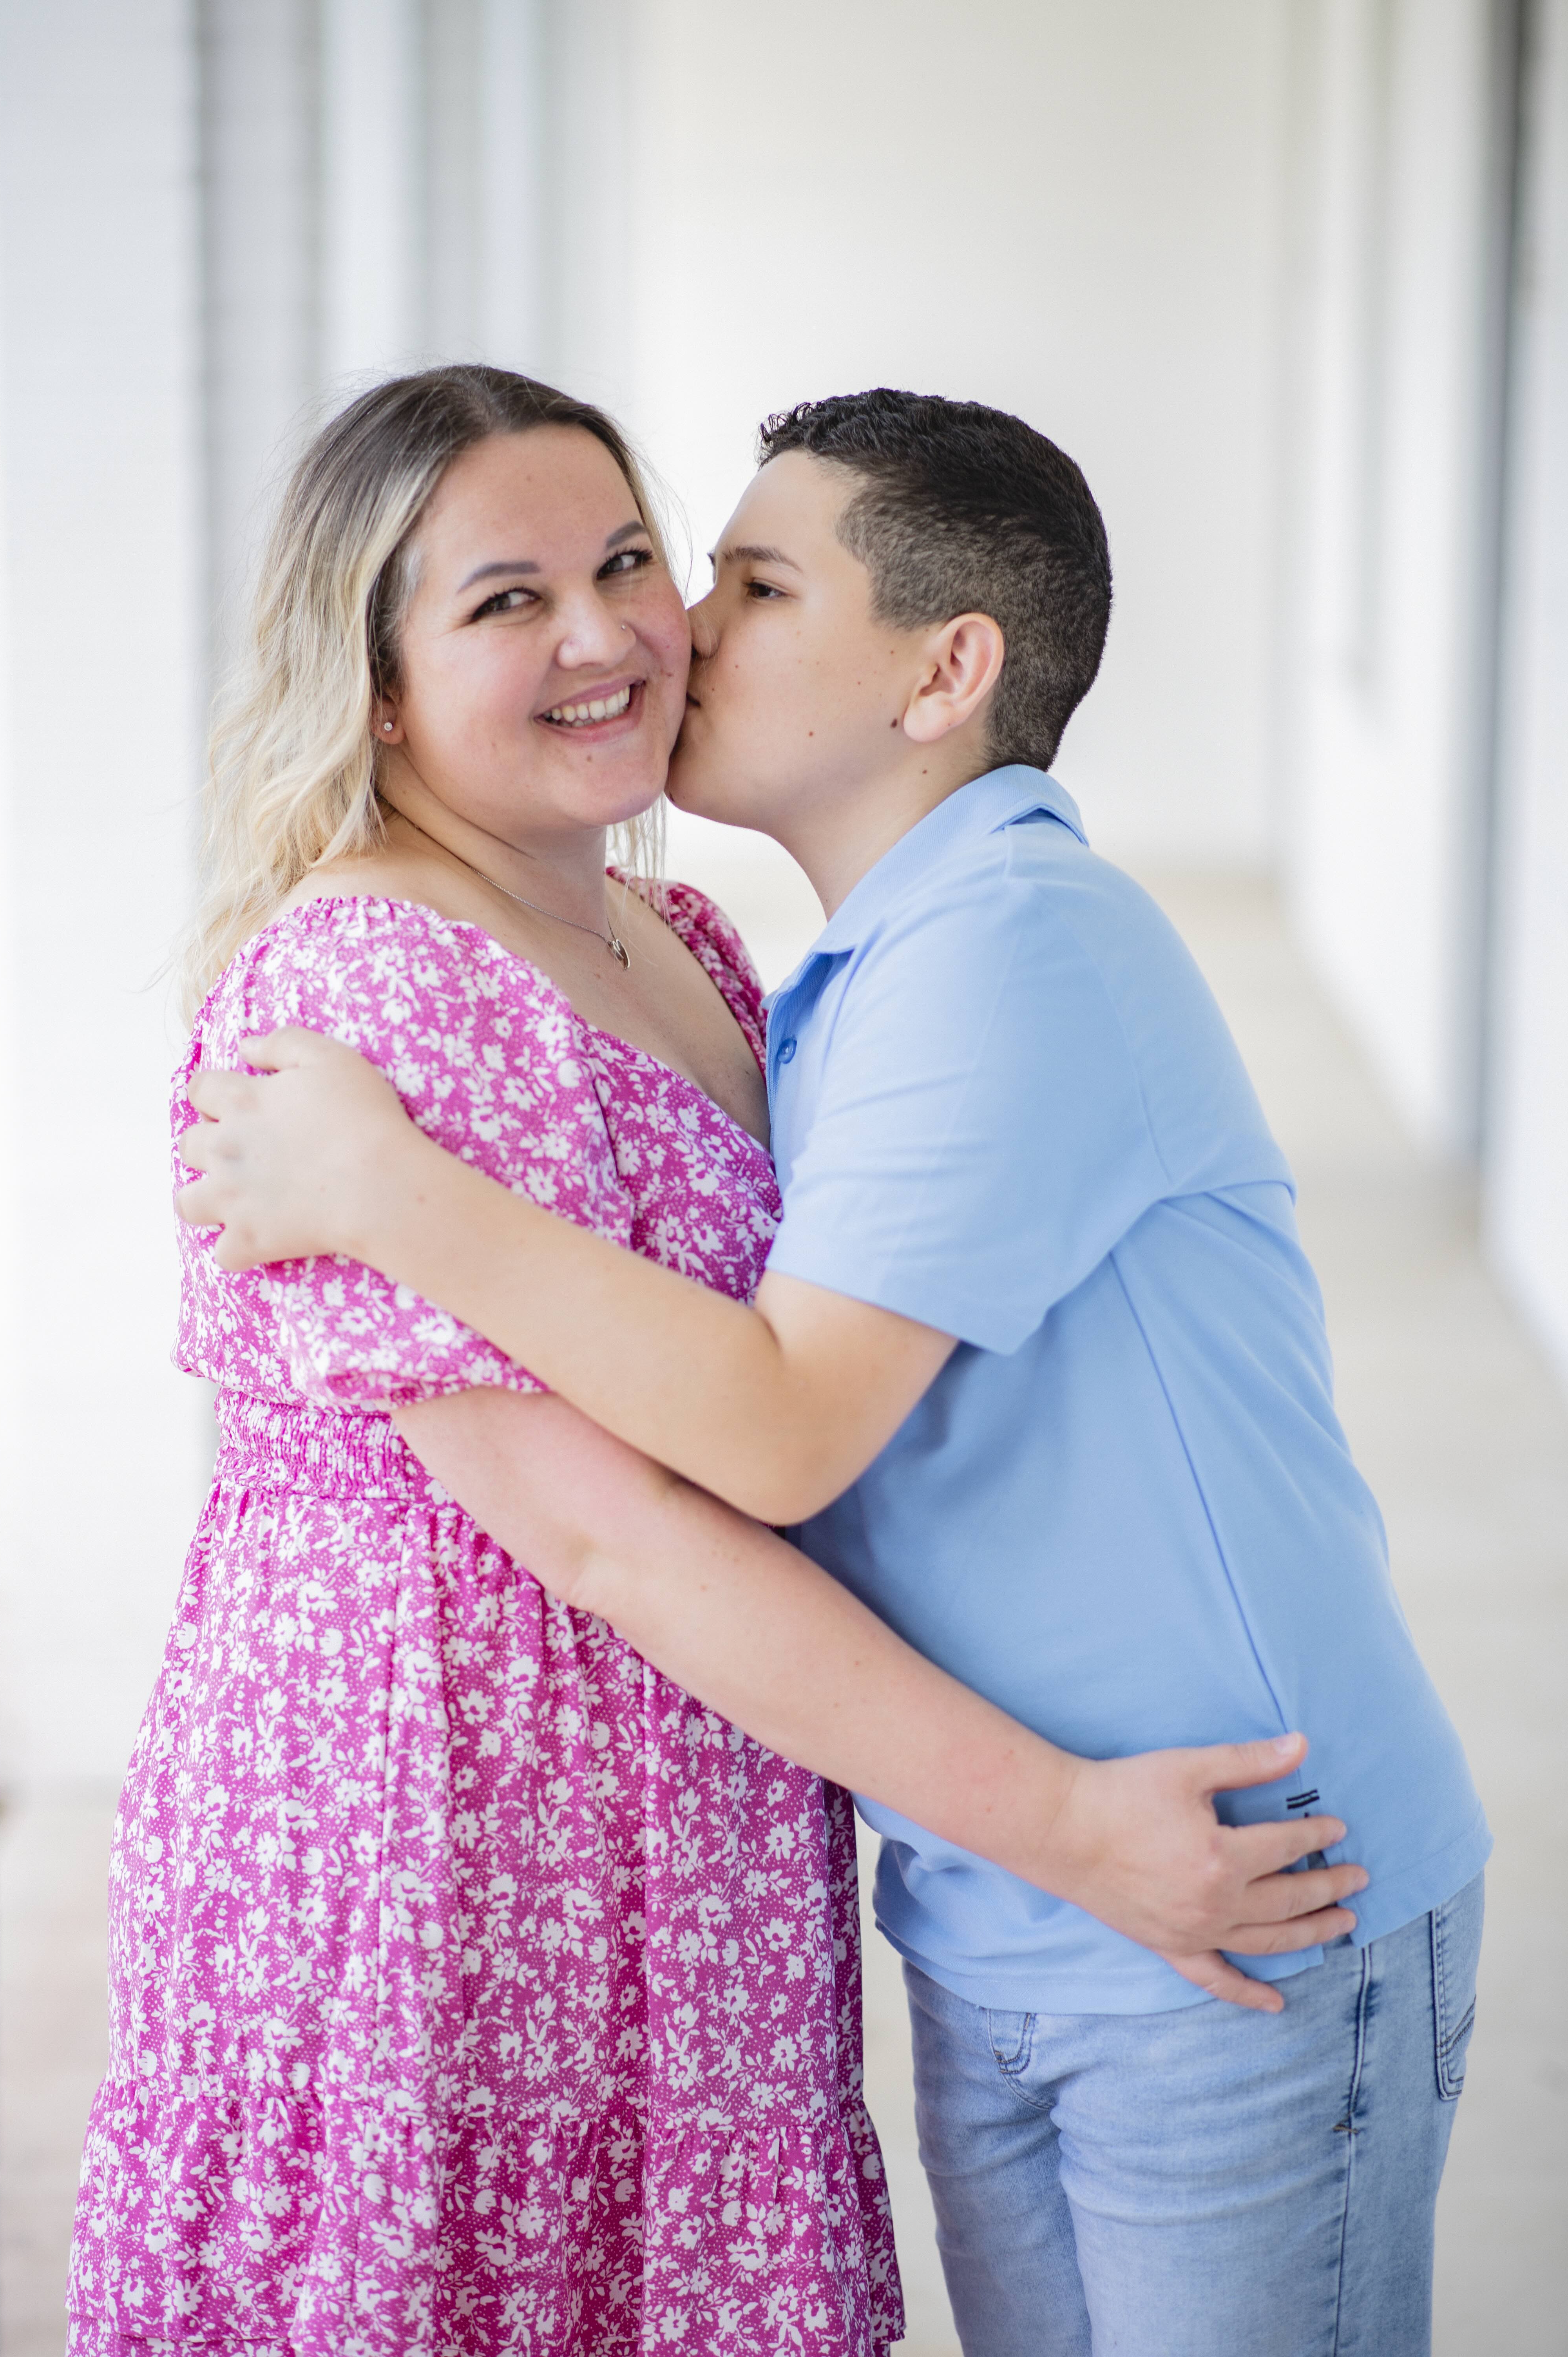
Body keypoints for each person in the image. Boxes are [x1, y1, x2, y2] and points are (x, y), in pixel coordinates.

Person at [181, 387, 1490, 2357]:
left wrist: (399, 1196)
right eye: (514, 595)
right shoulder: (714, 971)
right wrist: (1042, 1829)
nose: (659, 629)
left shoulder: (952, 948)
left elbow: (778, 1424)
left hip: (1197, 1863)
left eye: (698, 573)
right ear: (370, 679)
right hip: (763, 1874)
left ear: (941, 673)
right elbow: (626, 1505)